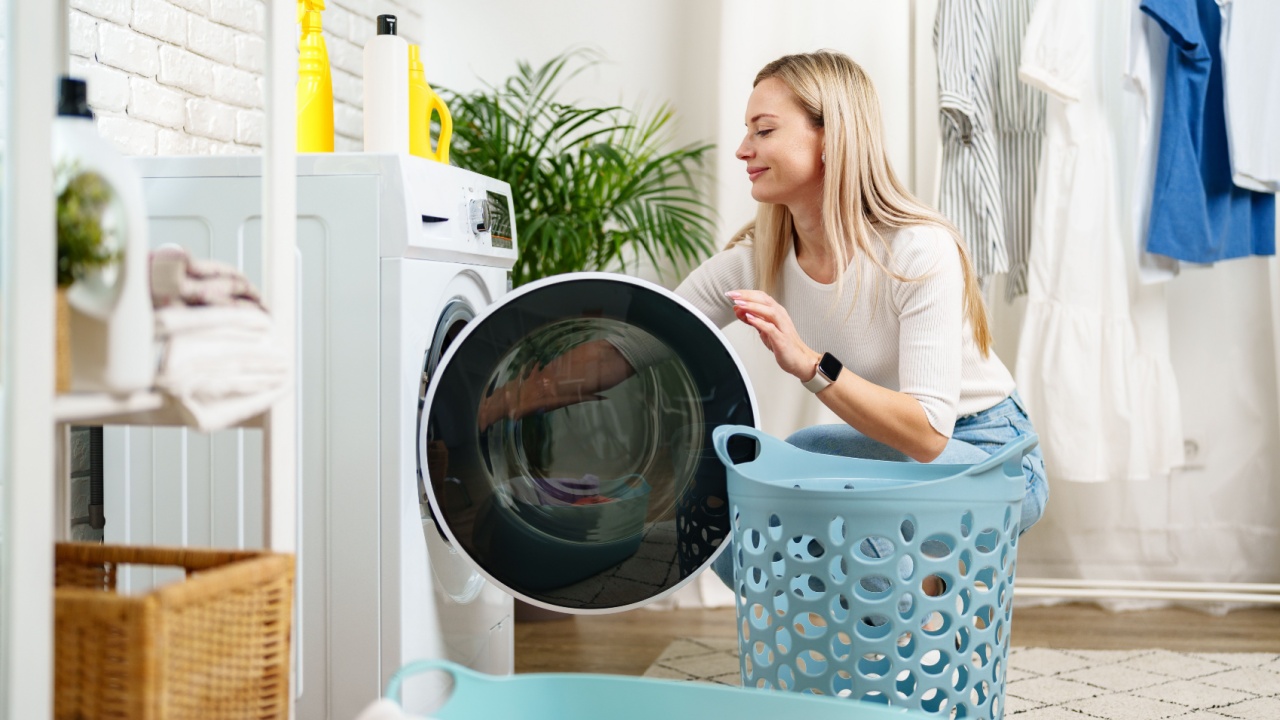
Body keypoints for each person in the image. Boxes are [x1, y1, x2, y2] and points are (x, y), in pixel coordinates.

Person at [477, 50, 1048, 590]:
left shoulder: (917, 250)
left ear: (830, 136)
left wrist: (810, 366)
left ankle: (906, 647)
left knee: (833, 505)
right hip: (895, 451)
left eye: (764, 129)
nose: (743, 149)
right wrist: (498, 402)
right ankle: (862, 635)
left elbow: (927, 435)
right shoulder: (758, 258)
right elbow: (630, 347)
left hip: (994, 459)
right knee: (745, 486)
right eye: (748, 131)